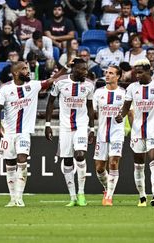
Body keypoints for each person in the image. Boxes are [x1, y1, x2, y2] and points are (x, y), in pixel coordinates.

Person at [0, 61, 66, 207]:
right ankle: (12, 198)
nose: (28, 71)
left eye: (27, 68)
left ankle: (19, 198)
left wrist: (66, 67)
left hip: (24, 132)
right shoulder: (5, 89)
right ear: (15, 73)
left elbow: (51, 80)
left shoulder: (33, 85)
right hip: (9, 132)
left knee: (22, 161)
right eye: (24, 69)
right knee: (10, 164)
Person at [116, 59, 154, 207]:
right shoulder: (131, 88)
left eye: (140, 72)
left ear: (148, 71)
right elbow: (126, 107)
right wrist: (120, 115)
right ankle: (142, 196)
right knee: (138, 165)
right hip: (137, 131)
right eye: (136, 72)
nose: (137, 75)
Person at [45, 58, 95, 207]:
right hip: (65, 127)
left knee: (79, 155)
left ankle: (81, 194)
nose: (85, 73)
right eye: (82, 70)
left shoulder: (89, 85)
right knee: (67, 160)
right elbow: (50, 103)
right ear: (74, 69)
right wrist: (48, 125)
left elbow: (90, 107)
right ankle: (72, 197)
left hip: (81, 125)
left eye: (86, 69)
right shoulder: (60, 82)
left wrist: (92, 129)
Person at [93, 65, 126, 206]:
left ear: (118, 76)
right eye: (106, 73)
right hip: (101, 134)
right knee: (100, 168)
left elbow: (130, 112)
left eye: (111, 73)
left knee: (113, 163)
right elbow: (93, 112)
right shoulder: (98, 93)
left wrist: (134, 129)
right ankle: (107, 188)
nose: (107, 75)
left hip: (117, 133)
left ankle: (109, 197)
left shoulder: (124, 93)